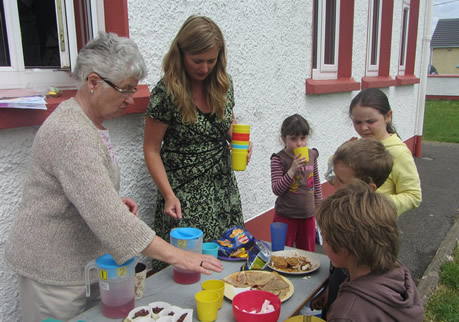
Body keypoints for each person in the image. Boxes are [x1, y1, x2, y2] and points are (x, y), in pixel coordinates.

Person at [4, 32, 222, 322]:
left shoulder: (89, 123)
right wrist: (180, 256)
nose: (131, 100)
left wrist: (111, 199)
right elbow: (110, 220)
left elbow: (83, 190)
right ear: (94, 82)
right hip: (55, 276)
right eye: (126, 90)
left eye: (134, 89)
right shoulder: (71, 133)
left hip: (83, 267)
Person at [144, 15, 251, 272]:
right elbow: (151, 149)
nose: (205, 68)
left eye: (211, 61)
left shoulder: (223, 84)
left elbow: (227, 127)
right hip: (184, 195)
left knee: (229, 258)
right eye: (197, 61)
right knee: (187, 267)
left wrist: (241, 144)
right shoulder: (166, 92)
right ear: (181, 54)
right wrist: (168, 194)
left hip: (223, 191)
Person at [315, 180, 424, 321]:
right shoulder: (399, 272)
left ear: (342, 247)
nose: (322, 243)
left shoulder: (346, 314)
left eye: (324, 236)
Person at [311, 138, 394, 319]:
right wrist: (329, 293)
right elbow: (343, 273)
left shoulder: (362, 231)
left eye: (340, 180)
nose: (333, 184)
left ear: (367, 188)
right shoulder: (351, 221)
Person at [349, 88, 422, 216]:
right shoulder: (356, 147)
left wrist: (373, 203)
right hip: (350, 223)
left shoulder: (398, 152)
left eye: (371, 121)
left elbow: (413, 196)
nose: (364, 128)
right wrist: (339, 156)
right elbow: (334, 177)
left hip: (377, 229)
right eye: (357, 122)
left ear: (388, 116)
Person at [270, 114, 323, 252]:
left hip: (308, 216)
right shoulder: (279, 159)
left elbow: (315, 182)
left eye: (303, 138)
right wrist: (292, 169)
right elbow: (276, 189)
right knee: (282, 253)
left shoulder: (311, 155)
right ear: (284, 139)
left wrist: (319, 206)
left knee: (307, 254)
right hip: (285, 216)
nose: (299, 143)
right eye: (293, 139)